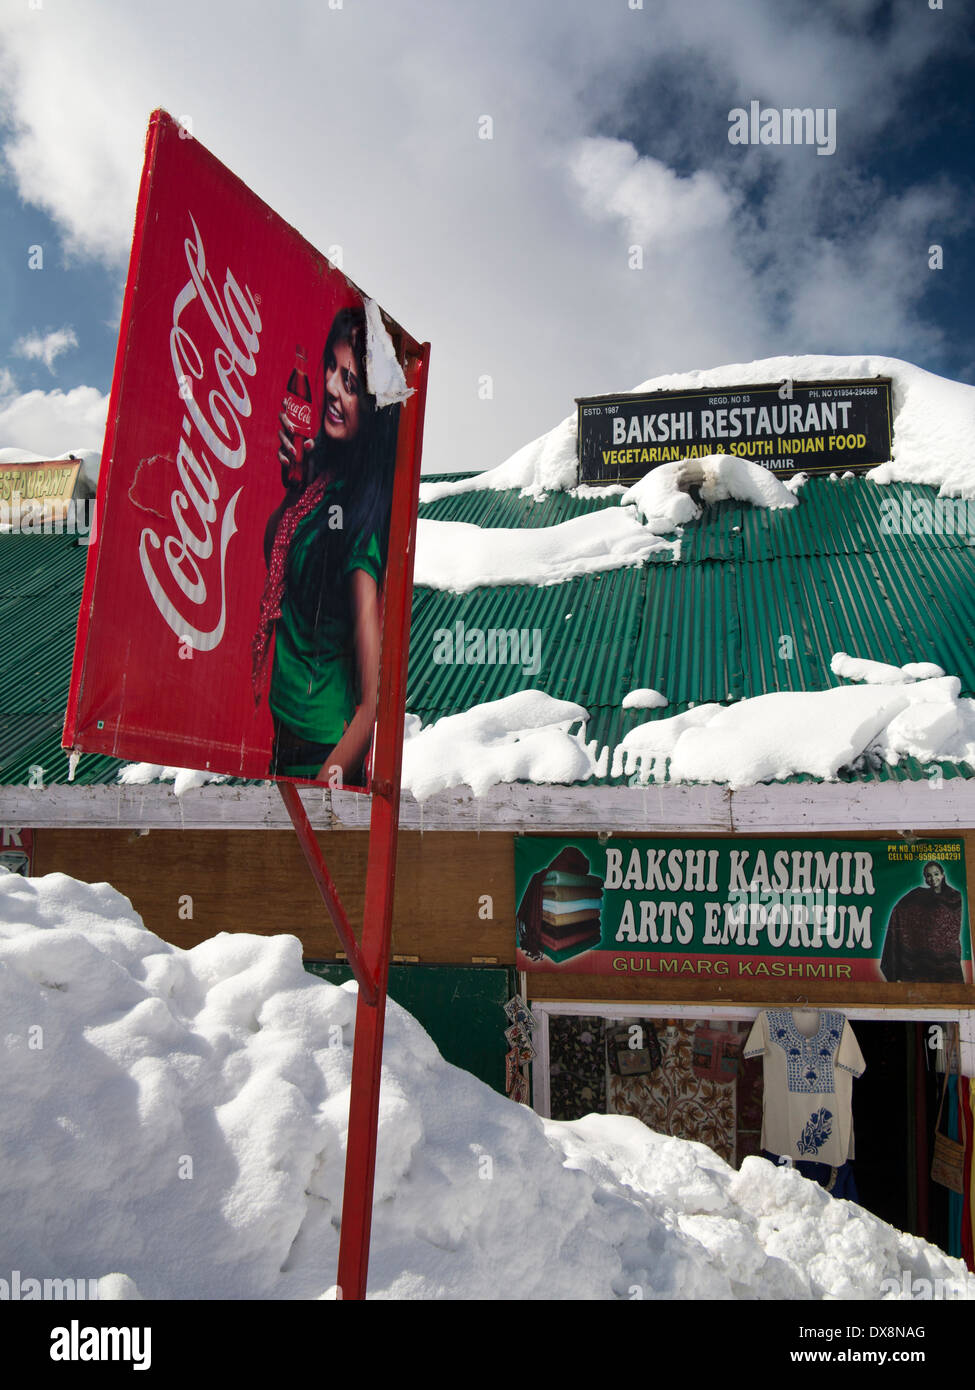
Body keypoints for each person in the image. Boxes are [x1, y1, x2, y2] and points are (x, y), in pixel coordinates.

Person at [252, 305, 399, 785]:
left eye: (351, 384)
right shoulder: (321, 480)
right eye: (332, 370)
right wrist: (293, 486)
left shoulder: (360, 518)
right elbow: (280, 550)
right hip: (281, 742)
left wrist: (327, 783)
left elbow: (373, 700)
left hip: (320, 754)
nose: (333, 388)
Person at [879, 861, 965, 983]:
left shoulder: (955, 897)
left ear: (942, 874)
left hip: (948, 956)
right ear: (925, 878)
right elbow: (899, 909)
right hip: (923, 957)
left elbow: (953, 925)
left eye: (936, 874)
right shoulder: (918, 895)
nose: (933, 878)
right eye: (928, 875)